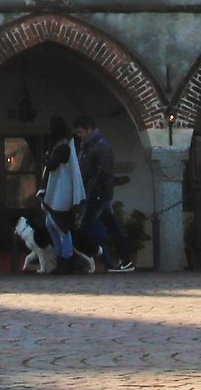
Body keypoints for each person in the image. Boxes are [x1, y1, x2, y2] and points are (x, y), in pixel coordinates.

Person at [72, 116, 134, 272]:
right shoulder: (86, 146)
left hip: (98, 193)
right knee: (111, 227)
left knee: (84, 227)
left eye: (80, 132)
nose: (79, 135)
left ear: (89, 129)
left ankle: (83, 258)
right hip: (95, 192)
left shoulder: (101, 146)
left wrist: (91, 187)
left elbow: (104, 170)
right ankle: (125, 260)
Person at [38, 117, 85, 273]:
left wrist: (45, 158)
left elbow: (51, 165)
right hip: (57, 189)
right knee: (51, 225)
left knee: (61, 226)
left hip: (61, 191)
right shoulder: (60, 146)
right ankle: (61, 256)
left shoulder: (63, 147)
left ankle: (67, 257)